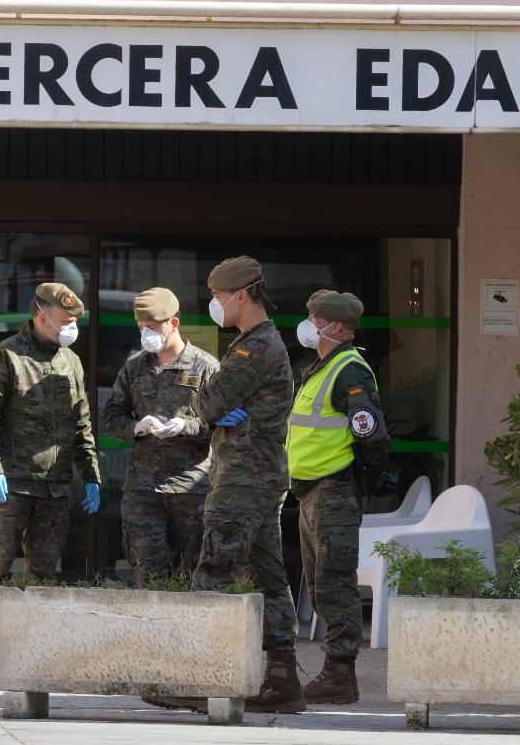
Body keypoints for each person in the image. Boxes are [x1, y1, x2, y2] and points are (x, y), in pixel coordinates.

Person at [188, 256, 303, 714]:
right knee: (268, 578)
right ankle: (283, 681)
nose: (215, 305)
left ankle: (200, 678)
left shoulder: (254, 347)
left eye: (217, 297)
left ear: (240, 295)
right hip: (256, 476)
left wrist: (207, 401)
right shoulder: (256, 344)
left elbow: (210, 403)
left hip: (243, 478)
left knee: (215, 570)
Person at [0, 282, 102, 670]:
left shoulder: (69, 362)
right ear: (41, 315)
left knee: (44, 568)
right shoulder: (6, 356)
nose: (69, 328)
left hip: (55, 485)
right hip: (12, 483)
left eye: (74, 321)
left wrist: (90, 475)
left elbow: (82, 425)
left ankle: (34, 641)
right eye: (64, 321)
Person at [289, 290, 392, 704]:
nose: (307, 324)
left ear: (334, 326)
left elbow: (370, 432)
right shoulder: (322, 367)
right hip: (313, 490)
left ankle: (340, 675)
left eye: (313, 318)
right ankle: (334, 671)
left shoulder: (350, 370)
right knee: (319, 585)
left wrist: (366, 476)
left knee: (334, 583)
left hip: (334, 489)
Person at [102, 287, 218, 587]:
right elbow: (112, 417)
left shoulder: (205, 366)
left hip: (190, 488)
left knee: (189, 574)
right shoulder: (134, 367)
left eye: (152, 328)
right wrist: (136, 427)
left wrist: (186, 426)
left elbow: (220, 424)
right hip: (144, 489)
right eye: (141, 328)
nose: (146, 335)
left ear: (174, 324)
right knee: (149, 572)